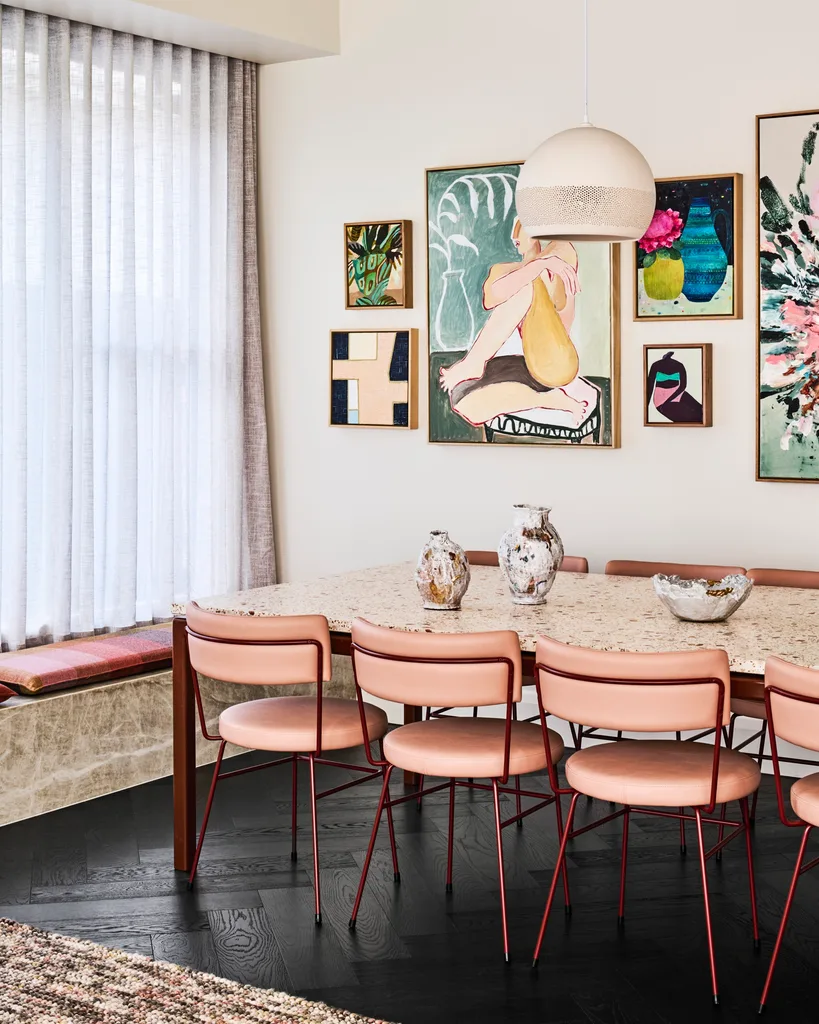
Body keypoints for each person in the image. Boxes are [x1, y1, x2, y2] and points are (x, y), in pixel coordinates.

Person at [439, 218, 595, 429]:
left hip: (556, 362)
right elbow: (490, 298)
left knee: (526, 287)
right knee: (464, 403)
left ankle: (473, 362)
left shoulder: (559, 253)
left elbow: (556, 306)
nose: (514, 237)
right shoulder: (515, 269)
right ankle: (550, 400)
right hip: (528, 364)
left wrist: (542, 264)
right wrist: (538, 265)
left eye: (520, 229)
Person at [646, 350, 703, 423]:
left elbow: (683, 386)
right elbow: (650, 387)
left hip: (677, 392)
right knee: (691, 417)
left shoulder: (679, 365)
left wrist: (669, 399)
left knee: (701, 410)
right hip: (661, 398)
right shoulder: (655, 365)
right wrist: (645, 408)